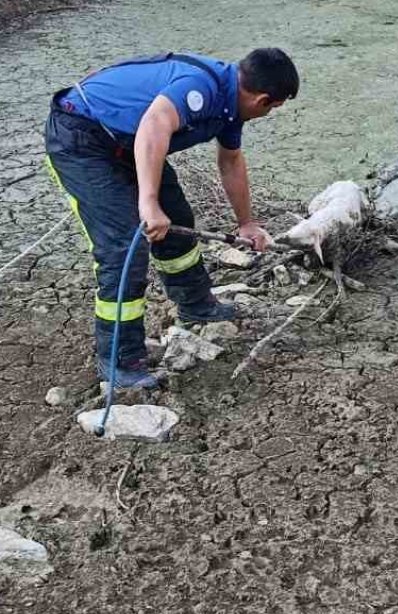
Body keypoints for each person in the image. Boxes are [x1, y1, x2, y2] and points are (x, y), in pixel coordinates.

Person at [44, 48, 299, 389]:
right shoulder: (200, 89)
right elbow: (154, 125)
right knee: (124, 246)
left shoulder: (230, 105)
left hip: (128, 143)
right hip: (82, 139)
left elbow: (231, 161)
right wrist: (148, 203)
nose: (269, 114)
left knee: (178, 221)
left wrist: (247, 223)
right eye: (274, 108)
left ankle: (195, 303)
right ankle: (119, 356)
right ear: (264, 100)